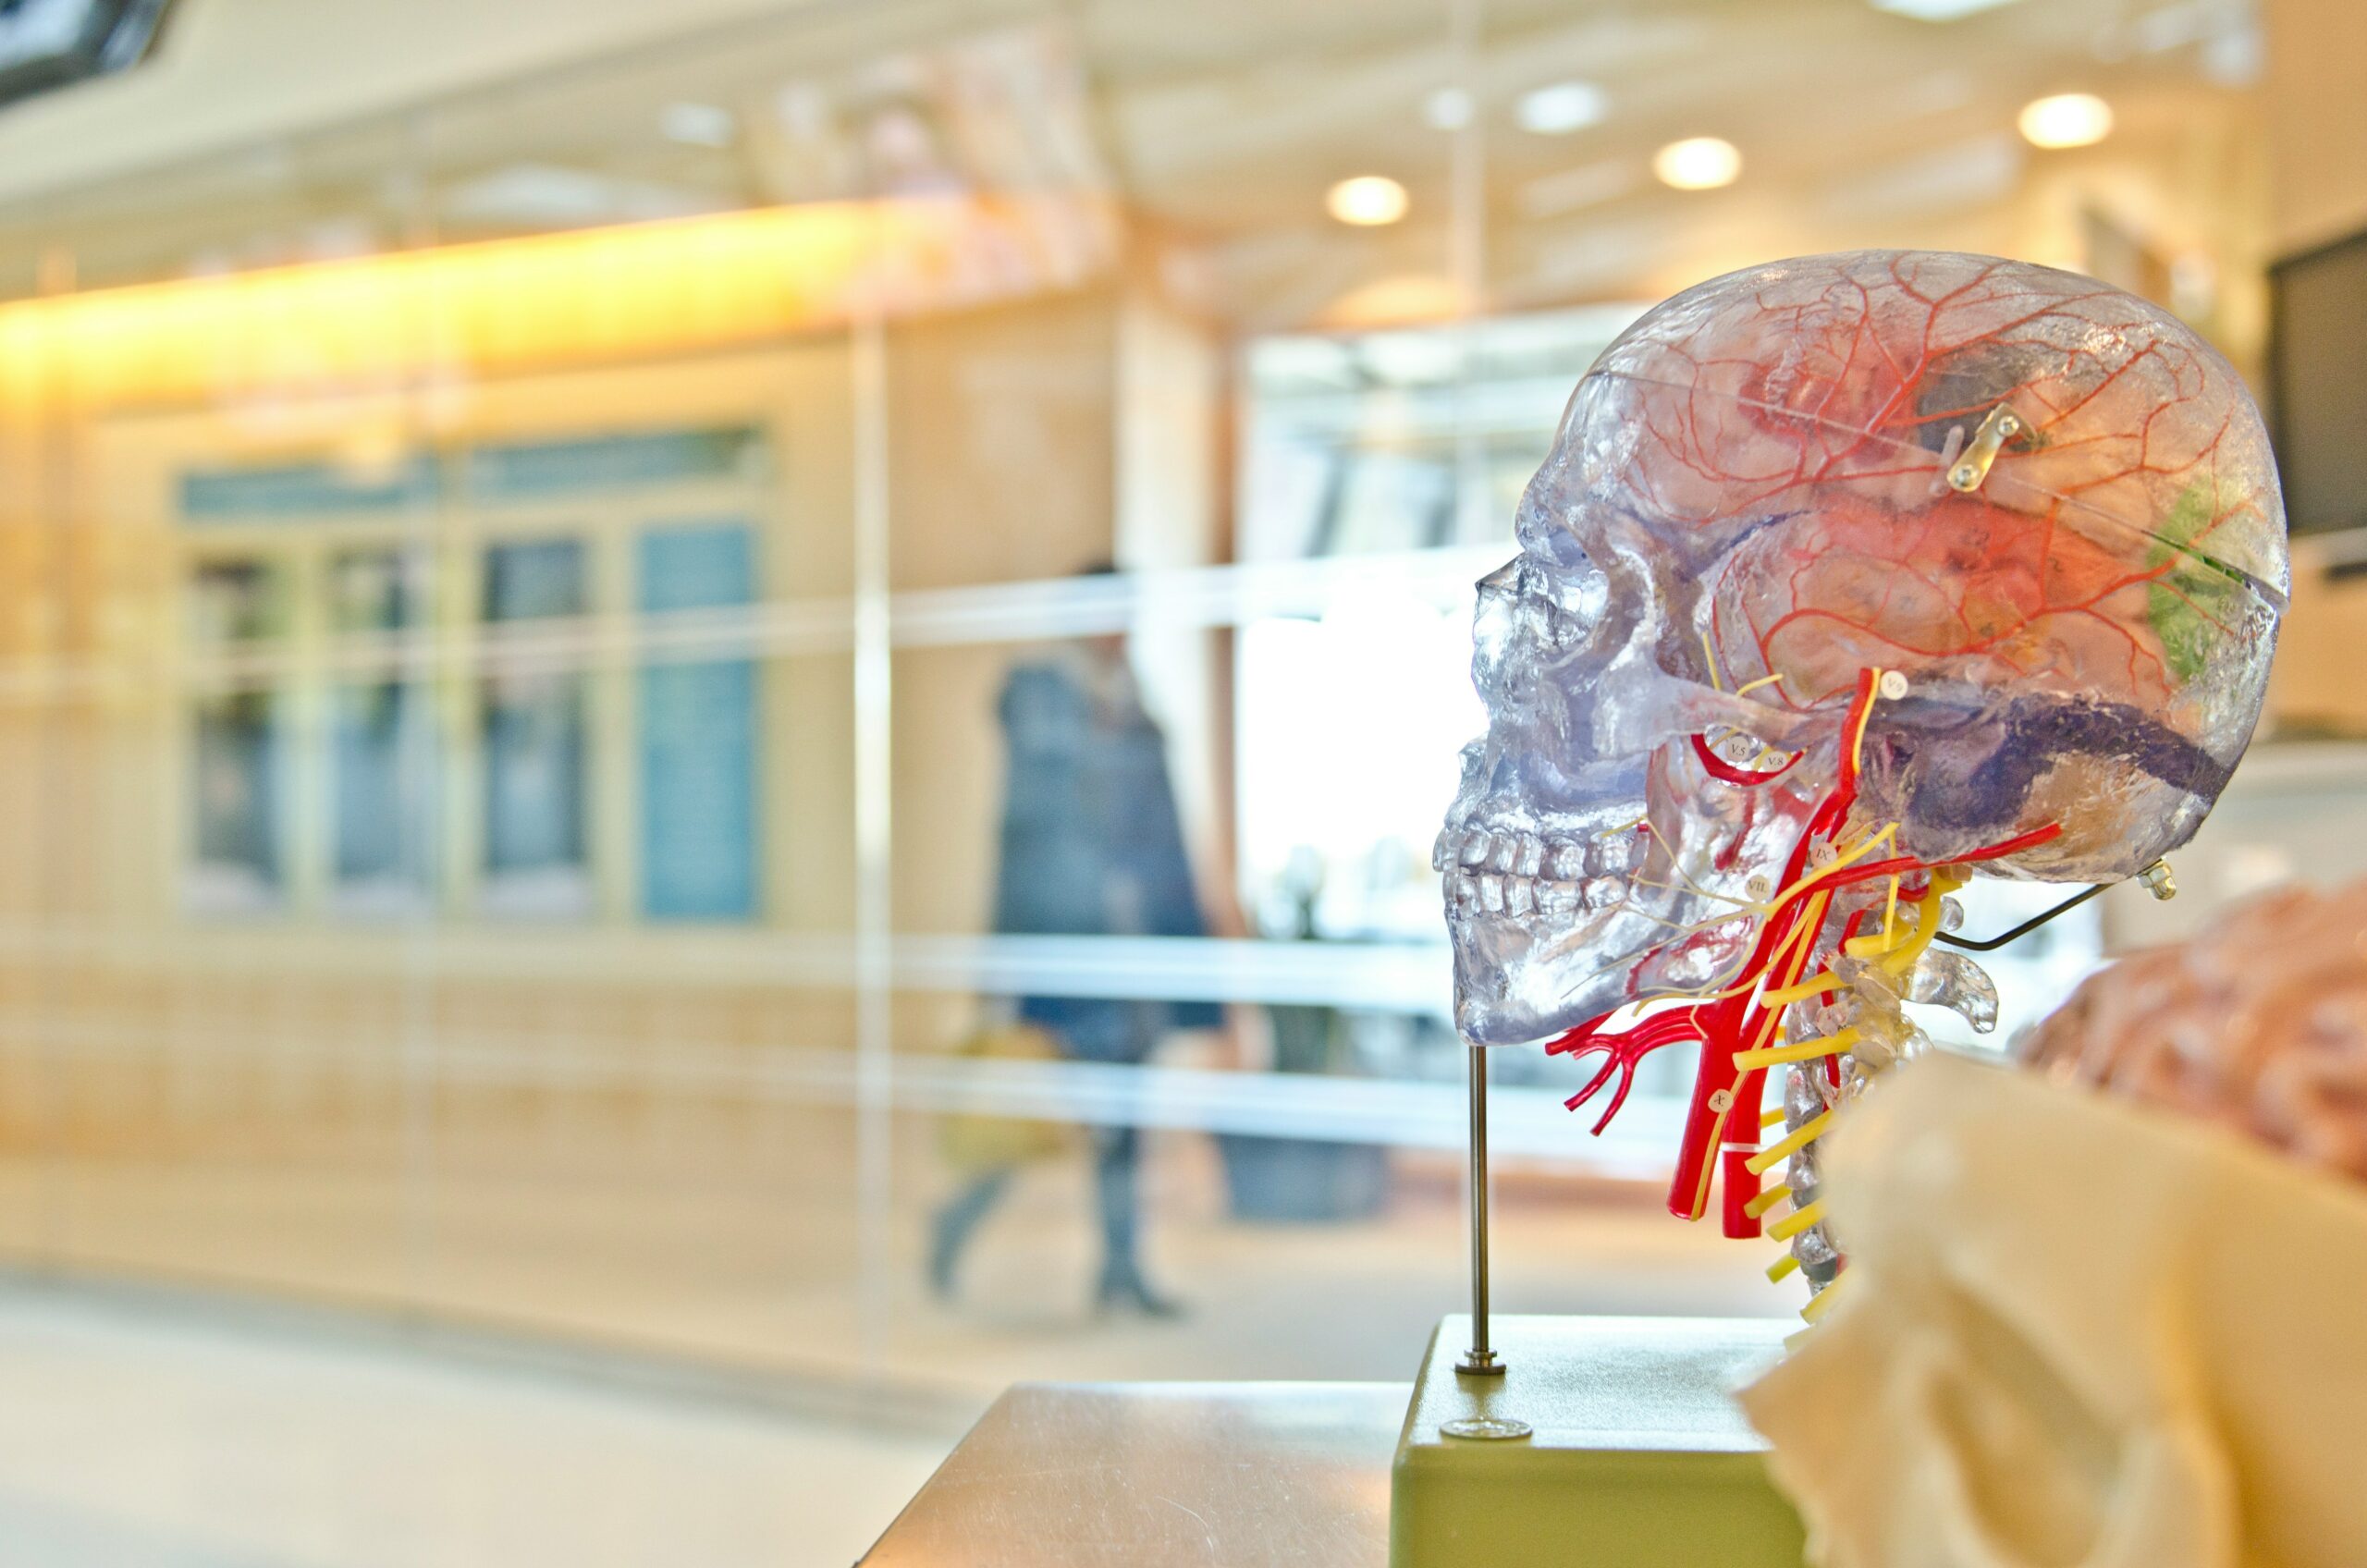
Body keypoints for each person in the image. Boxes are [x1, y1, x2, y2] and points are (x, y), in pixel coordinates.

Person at [929, 565, 1218, 1317]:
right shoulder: (1046, 703)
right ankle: (955, 1219)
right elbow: (1020, 839)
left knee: (1122, 1120)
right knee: (1033, 1114)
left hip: (1134, 955)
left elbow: (1164, 842)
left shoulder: (1135, 710)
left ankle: (1120, 1268)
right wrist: (1006, 963)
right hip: (1066, 953)